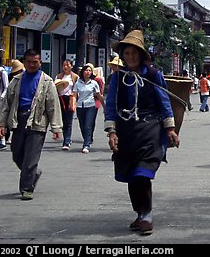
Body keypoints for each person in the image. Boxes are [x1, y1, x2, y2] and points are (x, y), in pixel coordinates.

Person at [104, 30, 179, 235]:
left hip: (150, 130)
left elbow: (164, 102)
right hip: (126, 131)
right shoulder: (118, 78)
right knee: (130, 174)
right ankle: (140, 213)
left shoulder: (154, 76)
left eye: (134, 53)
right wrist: (112, 132)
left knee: (142, 173)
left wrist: (170, 129)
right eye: (127, 53)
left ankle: (147, 216)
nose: (131, 57)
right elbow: (110, 106)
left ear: (142, 55)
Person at [0, 49, 63, 200]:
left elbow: (53, 105)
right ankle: (34, 173)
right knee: (17, 153)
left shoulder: (47, 81)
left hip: (37, 121)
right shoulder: (16, 80)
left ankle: (26, 188)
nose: (32, 65)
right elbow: (6, 104)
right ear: (24, 62)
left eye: (35, 62)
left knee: (30, 158)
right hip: (18, 120)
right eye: (29, 62)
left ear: (40, 62)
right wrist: (1, 124)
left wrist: (56, 127)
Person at [72, 63, 105, 154]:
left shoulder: (94, 83)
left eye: (90, 71)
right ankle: (87, 139)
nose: (88, 72)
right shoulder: (78, 83)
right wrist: (73, 104)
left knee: (88, 125)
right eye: (86, 70)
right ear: (83, 72)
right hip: (80, 106)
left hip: (90, 106)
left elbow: (99, 95)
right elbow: (74, 95)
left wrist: (104, 106)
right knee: (82, 126)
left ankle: (86, 144)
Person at [55, 59, 79, 150]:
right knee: (62, 120)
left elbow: (77, 89)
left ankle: (66, 141)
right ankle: (65, 137)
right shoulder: (58, 76)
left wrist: (75, 100)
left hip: (70, 98)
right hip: (60, 98)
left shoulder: (75, 77)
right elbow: (55, 86)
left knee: (68, 121)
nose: (65, 67)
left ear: (71, 66)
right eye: (64, 65)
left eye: (68, 65)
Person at [5, 59, 25, 144]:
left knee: (15, 119)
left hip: (19, 100)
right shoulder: (11, 77)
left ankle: (13, 136)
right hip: (11, 99)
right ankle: (7, 137)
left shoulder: (24, 75)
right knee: (9, 118)